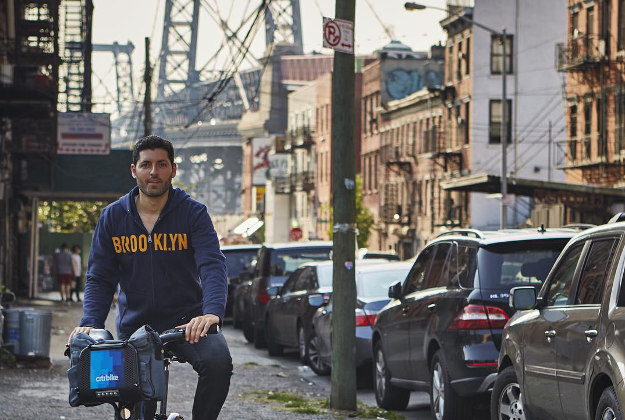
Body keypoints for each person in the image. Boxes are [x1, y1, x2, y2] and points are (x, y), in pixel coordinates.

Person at [68, 135, 232, 420]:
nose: (153, 172)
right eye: (146, 165)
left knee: (218, 363)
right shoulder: (112, 217)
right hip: (136, 326)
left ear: (173, 169)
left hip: (187, 322)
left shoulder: (193, 213)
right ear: (134, 170)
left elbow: (212, 264)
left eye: (161, 164)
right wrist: (91, 323)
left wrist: (211, 313)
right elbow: (100, 277)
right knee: (135, 407)